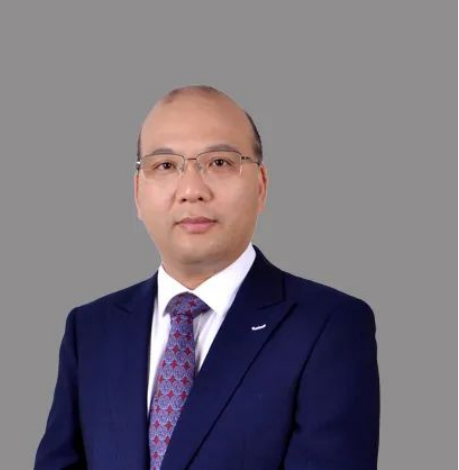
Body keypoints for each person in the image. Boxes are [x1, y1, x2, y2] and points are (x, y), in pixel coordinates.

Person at [34, 85, 380, 470]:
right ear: (137, 192)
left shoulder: (328, 326)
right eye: (165, 166)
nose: (191, 190)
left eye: (219, 162)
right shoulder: (91, 329)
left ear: (261, 186)